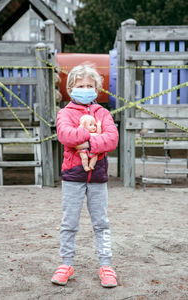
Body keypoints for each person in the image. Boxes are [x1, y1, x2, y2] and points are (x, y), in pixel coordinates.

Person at [51, 64, 119, 288]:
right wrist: (88, 131)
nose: (86, 89)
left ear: (96, 89)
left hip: (98, 176)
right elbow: (65, 135)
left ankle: (106, 264)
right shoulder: (65, 113)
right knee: (69, 222)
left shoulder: (103, 113)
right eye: (81, 85)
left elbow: (112, 139)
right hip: (73, 176)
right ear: (71, 88)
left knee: (101, 223)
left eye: (90, 86)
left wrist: (87, 141)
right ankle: (66, 263)